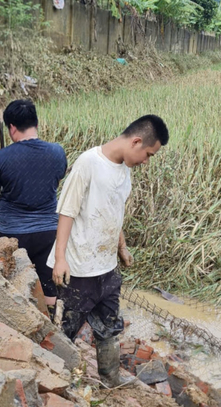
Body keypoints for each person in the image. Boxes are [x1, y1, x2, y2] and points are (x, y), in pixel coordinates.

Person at [48, 115, 169, 388]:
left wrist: (122, 247)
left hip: (106, 267)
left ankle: (110, 380)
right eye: (148, 154)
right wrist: (60, 258)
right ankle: (57, 381)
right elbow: (67, 212)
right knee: (65, 328)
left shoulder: (124, 171)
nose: (146, 162)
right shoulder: (88, 163)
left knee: (110, 326)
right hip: (77, 267)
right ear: (136, 141)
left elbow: (115, 213)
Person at [0, 100, 67, 316]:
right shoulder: (57, 152)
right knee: (49, 287)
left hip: (12, 234)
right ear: (36, 123)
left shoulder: (1, 157)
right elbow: (55, 180)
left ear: (11, 127)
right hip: (48, 232)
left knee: (8, 284)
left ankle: (14, 324)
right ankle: (52, 330)